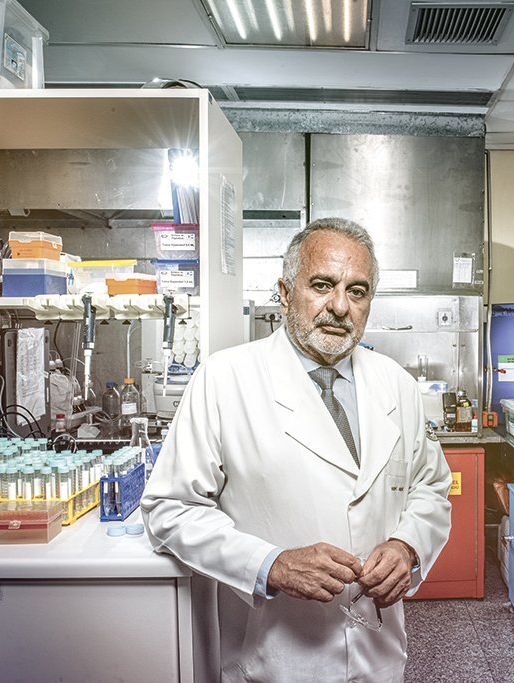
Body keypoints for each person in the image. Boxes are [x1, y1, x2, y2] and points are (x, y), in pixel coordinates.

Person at [142, 217, 453, 682]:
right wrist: (271, 565)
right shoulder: (224, 379)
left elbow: (430, 488)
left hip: (377, 655)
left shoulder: (397, 385)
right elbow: (170, 509)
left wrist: (407, 545)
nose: (340, 306)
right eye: (322, 285)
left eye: (357, 291)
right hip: (275, 659)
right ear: (285, 293)